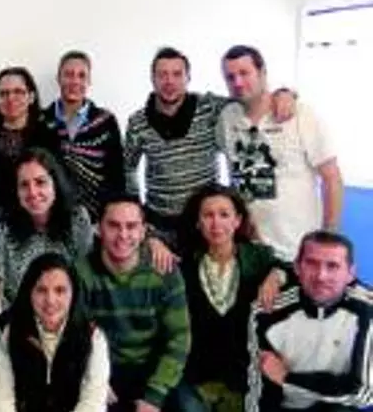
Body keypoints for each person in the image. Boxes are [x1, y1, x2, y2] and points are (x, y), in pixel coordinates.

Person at [124, 47, 296, 247]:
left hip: (205, 225)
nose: (170, 81)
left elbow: (248, 97)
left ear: (188, 78)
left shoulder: (210, 108)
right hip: (159, 227)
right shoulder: (138, 122)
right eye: (162, 75)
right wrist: (138, 215)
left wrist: (284, 94)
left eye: (177, 74)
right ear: (152, 79)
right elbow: (128, 167)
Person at [217, 45, 342, 262]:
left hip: (296, 249)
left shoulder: (301, 114)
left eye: (244, 73)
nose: (237, 82)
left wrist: (328, 238)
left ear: (263, 73)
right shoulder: (227, 118)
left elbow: (331, 177)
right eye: (230, 77)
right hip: (247, 248)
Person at [175, 184, 288, 411]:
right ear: (198, 222)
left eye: (224, 215)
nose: (216, 223)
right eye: (208, 215)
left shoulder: (258, 257)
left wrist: (276, 275)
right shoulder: (184, 264)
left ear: (237, 221)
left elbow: (292, 268)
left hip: (245, 378)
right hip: (196, 378)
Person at [75, 194, 190, 412]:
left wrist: (154, 396)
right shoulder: (82, 273)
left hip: (154, 370)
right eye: (113, 226)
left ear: (143, 231)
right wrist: (94, 379)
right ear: (98, 229)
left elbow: (179, 337)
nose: (123, 235)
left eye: (131, 226)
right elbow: (75, 335)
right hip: (103, 369)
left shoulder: (164, 270)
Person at [246, 230, 373, 412]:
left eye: (333, 266)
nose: (321, 276)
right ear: (297, 268)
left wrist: (287, 378)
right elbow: (258, 387)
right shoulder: (267, 311)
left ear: (350, 273)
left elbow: (364, 393)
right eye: (312, 263)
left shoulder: (367, 311)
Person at [0, 252, 109, 412]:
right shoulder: (6, 334)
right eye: (41, 290)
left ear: (74, 294)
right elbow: (1, 402)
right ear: (29, 292)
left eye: (60, 290)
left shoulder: (93, 337)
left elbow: (92, 403)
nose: (50, 300)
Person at [0, 147, 94, 313]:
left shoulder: (77, 219)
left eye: (40, 182)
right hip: (18, 319)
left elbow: (87, 278)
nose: (33, 192)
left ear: (55, 183)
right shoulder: (2, 223)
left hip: (68, 317)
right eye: (24, 185)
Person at [42, 50, 124, 220]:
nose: (75, 81)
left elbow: (117, 175)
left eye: (81, 76)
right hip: (53, 218)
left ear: (89, 81)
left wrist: (113, 216)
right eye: (68, 75)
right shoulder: (42, 120)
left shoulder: (106, 121)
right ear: (58, 78)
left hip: (97, 218)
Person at [0, 66, 61, 215]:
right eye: (3, 93)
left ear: (31, 97)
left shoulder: (49, 135)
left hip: (40, 218)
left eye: (18, 92)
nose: (10, 98)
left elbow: (58, 184)